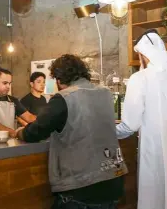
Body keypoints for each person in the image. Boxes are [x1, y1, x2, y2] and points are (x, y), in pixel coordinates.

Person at [16, 54, 127, 209]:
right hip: (115, 179)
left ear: (59, 80)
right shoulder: (106, 93)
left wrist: (19, 132)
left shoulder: (64, 97)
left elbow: (36, 131)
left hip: (83, 186)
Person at [116, 29, 167, 209]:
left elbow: (130, 124)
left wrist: (109, 131)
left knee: (155, 196)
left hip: (153, 154)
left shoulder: (140, 78)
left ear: (143, 54)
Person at [0, 68, 36, 142]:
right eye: (5, 83)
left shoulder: (13, 100)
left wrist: (44, 122)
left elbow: (29, 117)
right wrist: (11, 132)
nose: (8, 86)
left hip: (7, 143)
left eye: (9, 83)